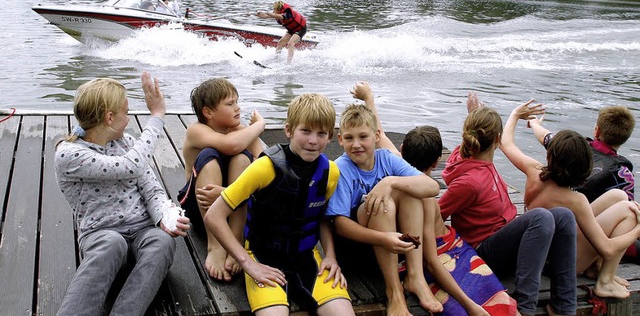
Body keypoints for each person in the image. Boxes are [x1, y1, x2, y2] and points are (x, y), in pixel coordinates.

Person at [352, 81, 517, 316]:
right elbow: (431, 259)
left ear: (402, 149)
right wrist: (470, 305)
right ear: (437, 161)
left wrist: (369, 98)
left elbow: (380, 135)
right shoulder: (425, 198)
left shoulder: (396, 163)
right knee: (501, 306)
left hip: (428, 250)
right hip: (445, 250)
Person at [204, 93, 355, 316]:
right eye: (305, 131)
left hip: (307, 258)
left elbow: (322, 216)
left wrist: (330, 255)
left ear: (330, 137)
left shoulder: (330, 172)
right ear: (289, 130)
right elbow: (213, 216)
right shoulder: (264, 168)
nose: (313, 141)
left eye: (321, 133)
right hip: (263, 257)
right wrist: (247, 263)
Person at [54, 72, 190, 316]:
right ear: (109, 117)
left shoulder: (126, 142)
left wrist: (163, 216)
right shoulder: (70, 155)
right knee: (112, 243)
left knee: (162, 242)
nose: (128, 120)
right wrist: (157, 117)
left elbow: (151, 188)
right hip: (101, 234)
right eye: (126, 113)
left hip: (142, 230)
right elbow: (129, 166)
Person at [439, 92, 578, 316]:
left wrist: (475, 116)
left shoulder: (475, 159)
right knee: (540, 217)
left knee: (564, 215)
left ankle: (564, 307)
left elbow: (471, 144)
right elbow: (436, 214)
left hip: (501, 239)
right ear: (496, 140)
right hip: (482, 252)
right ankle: (524, 309)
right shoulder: (470, 181)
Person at [500, 100, 640, 299]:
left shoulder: (534, 171)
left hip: (539, 249)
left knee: (618, 195)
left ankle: (597, 268)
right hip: (558, 263)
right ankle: (605, 281)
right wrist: (637, 229)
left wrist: (515, 114)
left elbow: (506, 143)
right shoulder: (576, 200)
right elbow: (607, 248)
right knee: (629, 209)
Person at [325, 94, 442, 316]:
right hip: (360, 249)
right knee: (381, 203)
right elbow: (339, 225)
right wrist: (383, 238)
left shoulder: (386, 158)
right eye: (349, 138)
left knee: (409, 191)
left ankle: (415, 276)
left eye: (363, 137)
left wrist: (390, 181)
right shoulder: (341, 169)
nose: (356, 144)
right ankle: (394, 292)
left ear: (376, 136)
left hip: (393, 246)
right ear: (340, 140)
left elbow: (432, 187)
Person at [178, 78, 265, 281]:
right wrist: (259, 125)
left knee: (243, 157)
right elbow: (228, 145)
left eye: (237, 102)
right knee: (208, 155)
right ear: (208, 112)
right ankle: (216, 245)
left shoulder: (240, 132)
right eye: (230, 104)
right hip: (201, 204)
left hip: (233, 206)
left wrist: (226, 193)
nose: (238, 108)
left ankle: (235, 239)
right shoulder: (196, 130)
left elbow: (263, 164)